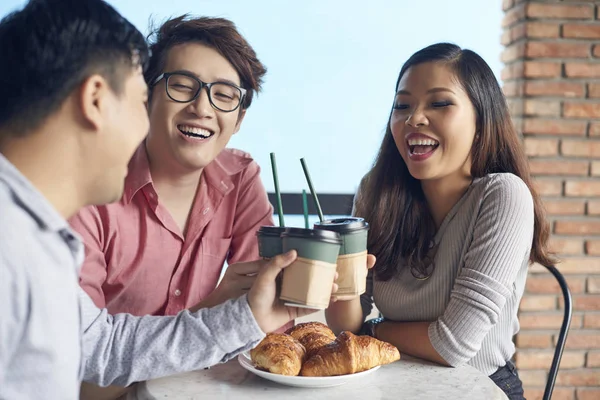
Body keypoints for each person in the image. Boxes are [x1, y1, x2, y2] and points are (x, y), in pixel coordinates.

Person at [0, 1, 323, 399]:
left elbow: (100, 348)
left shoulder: (35, 233)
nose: (200, 109)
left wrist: (244, 316)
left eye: (223, 95)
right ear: (96, 99)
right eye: (139, 100)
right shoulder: (17, 243)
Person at [325, 43, 555, 400]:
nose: (414, 117)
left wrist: (372, 332)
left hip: (482, 387)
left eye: (439, 103)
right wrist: (340, 280)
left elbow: (452, 344)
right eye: (402, 106)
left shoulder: (504, 195)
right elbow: (346, 327)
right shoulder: (375, 193)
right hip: (393, 381)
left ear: (482, 121)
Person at [69, 15, 275, 319]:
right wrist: (213, 309)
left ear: (239, 120)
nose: (202, 108)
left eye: (223, 95)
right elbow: (84, 347)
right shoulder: (90, 192)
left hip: (207, 368)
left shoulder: (240, 177)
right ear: (147, 97)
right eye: (181, 86)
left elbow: (261, 312)